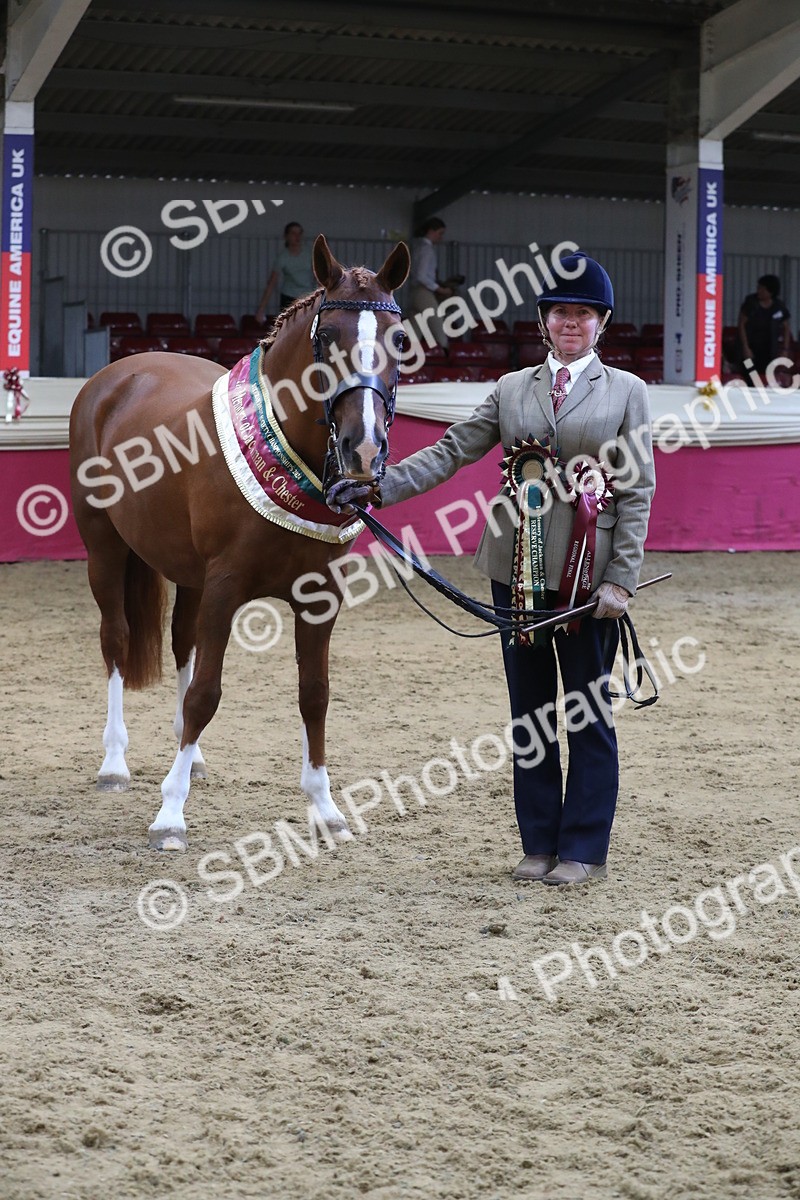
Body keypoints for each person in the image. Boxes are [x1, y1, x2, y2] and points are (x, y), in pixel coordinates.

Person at [327, 253, 655, 887]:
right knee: (530, 713)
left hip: (589, 577)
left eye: (583, 314)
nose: (570, 323)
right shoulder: (511, 390)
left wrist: (622, 577)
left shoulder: (626, 393)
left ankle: (583, 848)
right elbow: (453, 451)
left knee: (588, 711)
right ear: (543, 321)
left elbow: (637, 490)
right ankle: (538, 843)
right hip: (517, 570)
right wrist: (379, 486)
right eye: (560, 312)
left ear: (601, 325)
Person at [406, 216, 457, 351]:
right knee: (437, 323)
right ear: (431, 231)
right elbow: (422, 276)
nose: (441, 237)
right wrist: (440, 289)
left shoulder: (418, 248)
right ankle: (446, 352)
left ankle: (407, 356)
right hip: (423, 292)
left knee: (416, 327)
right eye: (440, 233)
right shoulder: (426, 250)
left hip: (415, 292)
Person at [255, 221, 315, 321]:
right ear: (286, 236)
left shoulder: (309, 254)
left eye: (299, 233)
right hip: (288, 298)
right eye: (293, 233)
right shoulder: (282, 258)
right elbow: (271, 283)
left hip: (308, 297)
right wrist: (261, 309)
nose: (297, 236)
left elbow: (318, 276)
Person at [737, 275, 792, 376]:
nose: (759, 291)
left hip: (769, 350)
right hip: (750, 349)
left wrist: (785, 349)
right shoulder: (751, 302)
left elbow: (786, 328)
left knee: (766, 376)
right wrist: (745, 347)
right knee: (750, 375)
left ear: (771, 292)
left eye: (762, 289)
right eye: (758, 288)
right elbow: (741, 324)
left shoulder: (779, 306)